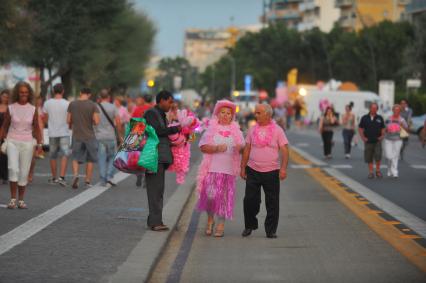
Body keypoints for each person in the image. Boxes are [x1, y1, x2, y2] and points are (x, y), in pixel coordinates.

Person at [196, 100, 244, 237]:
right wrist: (216, 148)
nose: (225, 115)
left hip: (228, 171)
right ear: (217, 114)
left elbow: (243, 148)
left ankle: (221, 224)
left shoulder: (236, 131)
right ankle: (210, 220)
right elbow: (202, 147)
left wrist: (239, 148)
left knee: (223, 199)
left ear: (232, 116)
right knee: (211, 197)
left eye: (228, 113)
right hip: (212, 170)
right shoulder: (211, 129)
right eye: (222, 112)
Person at [241, 103, 289, 239]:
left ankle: (271, 230)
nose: (255, 115)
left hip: (272, 171)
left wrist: (283, 169)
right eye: (255, 112)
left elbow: (285, 150)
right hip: (253, 169)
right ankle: (249, 225)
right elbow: (247, 149)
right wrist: (242, 167)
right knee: (250, 200)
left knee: (272, 202)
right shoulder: (252, 130)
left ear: (268, 114)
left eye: (258, 113)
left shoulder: (278, 130)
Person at [0, 81, 43, 209]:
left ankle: (21, 200)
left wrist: (39, 143)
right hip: (12, 141)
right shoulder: (11, 107)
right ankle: (13, 199)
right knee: (13, 168)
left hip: (27, 143)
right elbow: (5, 125)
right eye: (21, 92)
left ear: (29, 93)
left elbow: (36, 126)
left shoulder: (33, 109)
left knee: (24, 172)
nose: (24, 94)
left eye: (26, 92)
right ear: (17, 94)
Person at [143, 90, 180, 231]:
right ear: (161, 101)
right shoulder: (152, 113)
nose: (171, 105)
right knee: (155, 190)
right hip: (153, 156)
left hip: (159, 156)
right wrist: (176, 129)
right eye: (169, 101)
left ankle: (154, 220)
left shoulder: (160, 114)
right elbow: (157, 131)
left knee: (158, 190)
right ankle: (155, 222)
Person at [67, 87, 100, 189]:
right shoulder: (93, 105)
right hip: (89, 135)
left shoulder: (72, 104)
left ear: (80, 93)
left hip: (76, 134)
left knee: (75, 157)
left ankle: (76, 174)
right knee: (90, 159)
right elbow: (97, 121)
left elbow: (68, 120)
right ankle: (87, 180)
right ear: (89, 95)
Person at [42, 83, 70, 186]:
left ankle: (54, 177)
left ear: (53, 91)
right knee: (65, 154)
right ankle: (62, 177)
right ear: (63, 91)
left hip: (52, 132)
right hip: (64, 132)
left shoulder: (47, 103)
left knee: (53, 155)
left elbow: (44, 118)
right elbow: (69, 119)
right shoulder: (67, 103)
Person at [96, 89, 122, 187]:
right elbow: (118, 122)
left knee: (102, 158)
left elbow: (94, 121)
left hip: (100, 136)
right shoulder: (113, 107)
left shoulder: (96, 107)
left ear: (100, 97)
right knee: (113, 157)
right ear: (108, 97)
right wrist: (119, 134)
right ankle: (109, 175)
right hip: (111, 136)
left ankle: (103, 179)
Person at [358, 103, 385, 179]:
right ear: (369, 108)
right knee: (369, 157)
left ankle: (378, 171)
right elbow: (360, 128)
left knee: (378, 155)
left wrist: (382, 136)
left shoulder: (380, 118)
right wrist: (363, 138)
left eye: (375, 108)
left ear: (377, 109)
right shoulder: (364, 118)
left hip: (377, 140)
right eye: (372, 108)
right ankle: (370, 172)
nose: (373, 110)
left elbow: (383, 128)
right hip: (368, 140)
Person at [132, 94, 153, 188]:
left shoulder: (137, 109)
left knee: (138, 156)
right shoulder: (155, 109)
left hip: (138, 133)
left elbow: (133, 122)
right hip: (151, 135)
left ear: (143, 100)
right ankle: (147, 178)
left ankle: (139, 174)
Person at [384, 104, 409, 178]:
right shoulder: (388, 119)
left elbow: (407, 129)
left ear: (400, 111)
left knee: (396, 155)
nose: (396, 111)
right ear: (393, 110)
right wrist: (386, 129)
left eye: (398, 110)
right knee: (389, 156)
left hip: (398, 139)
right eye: (395, 110)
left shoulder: (402, 120)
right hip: (388, 139)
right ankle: (389, 168)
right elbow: (384, 128)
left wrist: (402, 126)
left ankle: (395, 172)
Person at [0, 89, 10, 184]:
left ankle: (4, 177)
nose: (4, 98)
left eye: (6, 97)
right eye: (3, 96)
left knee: (4, 156)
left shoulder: (10, 108)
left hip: (6, 134)